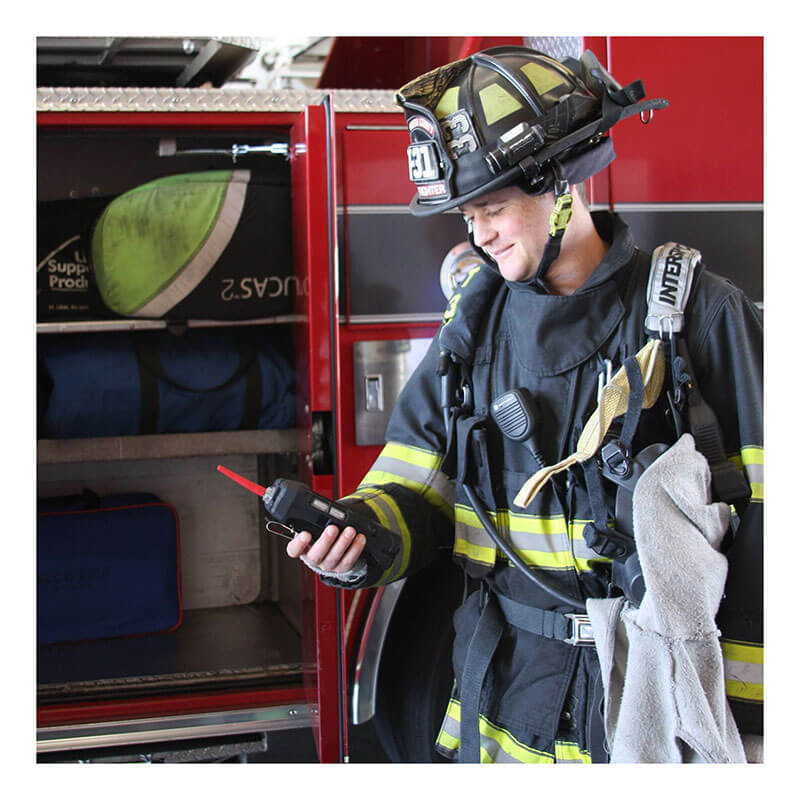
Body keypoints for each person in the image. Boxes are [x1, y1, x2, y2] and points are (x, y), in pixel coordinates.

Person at [287, 46, 763, 763]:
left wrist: (753, 727)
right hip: (499, 699)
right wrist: (359, 538)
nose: (477, 234)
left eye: (493, 206)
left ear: (563, 188)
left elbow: (769, 529)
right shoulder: (469, 328)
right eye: (466, 215)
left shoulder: (699, 317)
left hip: (647, 708)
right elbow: (411, 487)